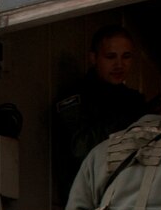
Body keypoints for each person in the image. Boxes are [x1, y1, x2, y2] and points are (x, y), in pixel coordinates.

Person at [52, 25, 147, 182]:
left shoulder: (133, 100)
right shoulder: (77, 96)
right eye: (110, 57)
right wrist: (125, 119)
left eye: (126, 56)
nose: (119, 64)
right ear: (93, 58)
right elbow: (80, 148)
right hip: (91, 196)